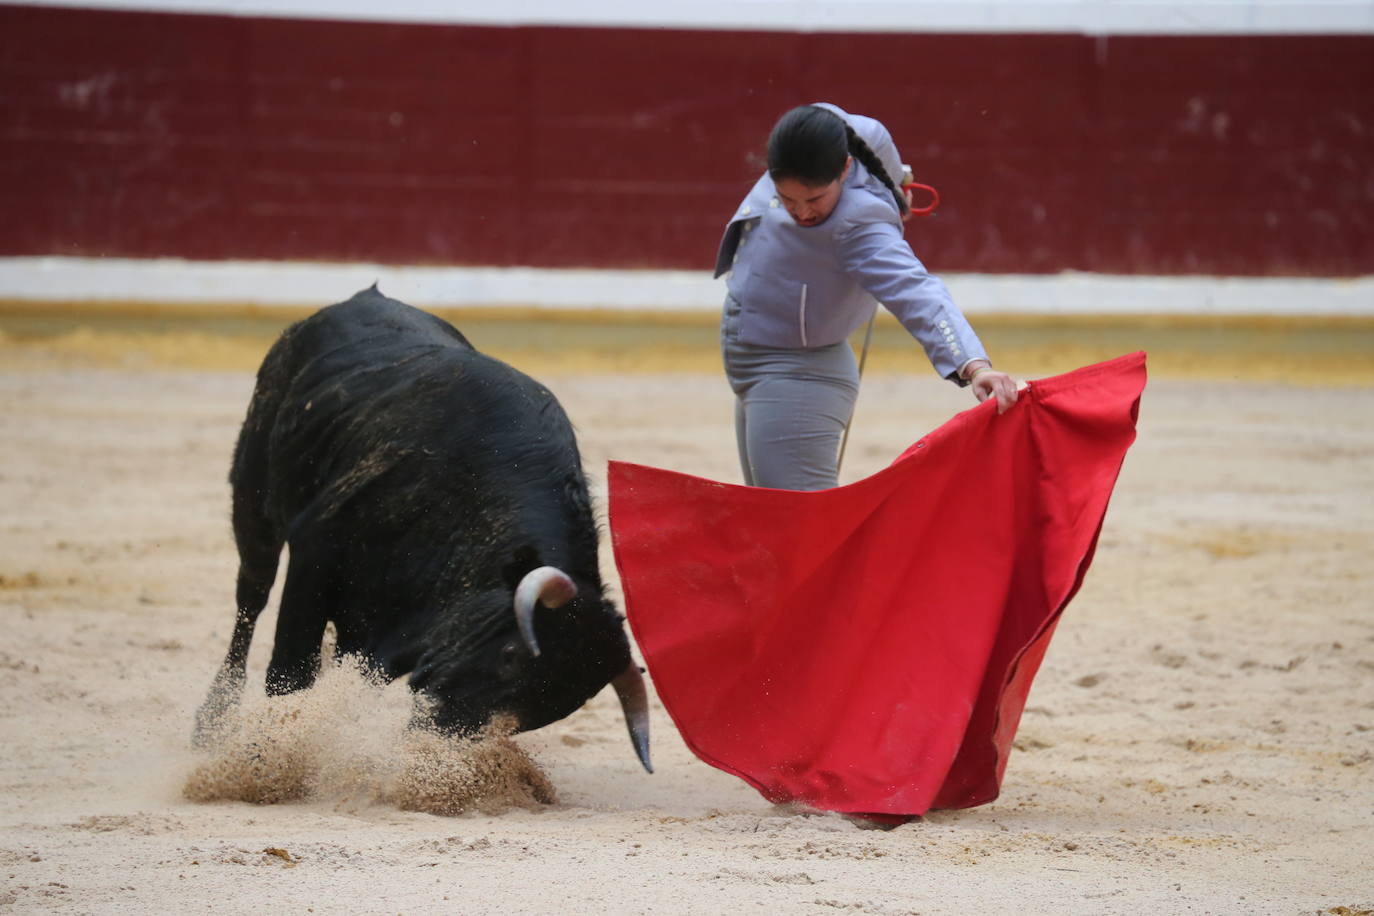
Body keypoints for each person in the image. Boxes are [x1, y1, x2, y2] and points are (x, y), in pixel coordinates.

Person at [715, 102, 1018, 491]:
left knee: (798, 532)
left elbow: (916, 292)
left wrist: (973, 364)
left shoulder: (858, 223)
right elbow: (851, 126)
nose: (801, 213)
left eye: (814, 199)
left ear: (843, 169)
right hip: (765, 364)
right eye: (788, 199)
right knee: (774, 519)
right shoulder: (812, 139)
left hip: (798, 374)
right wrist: (895, 186)